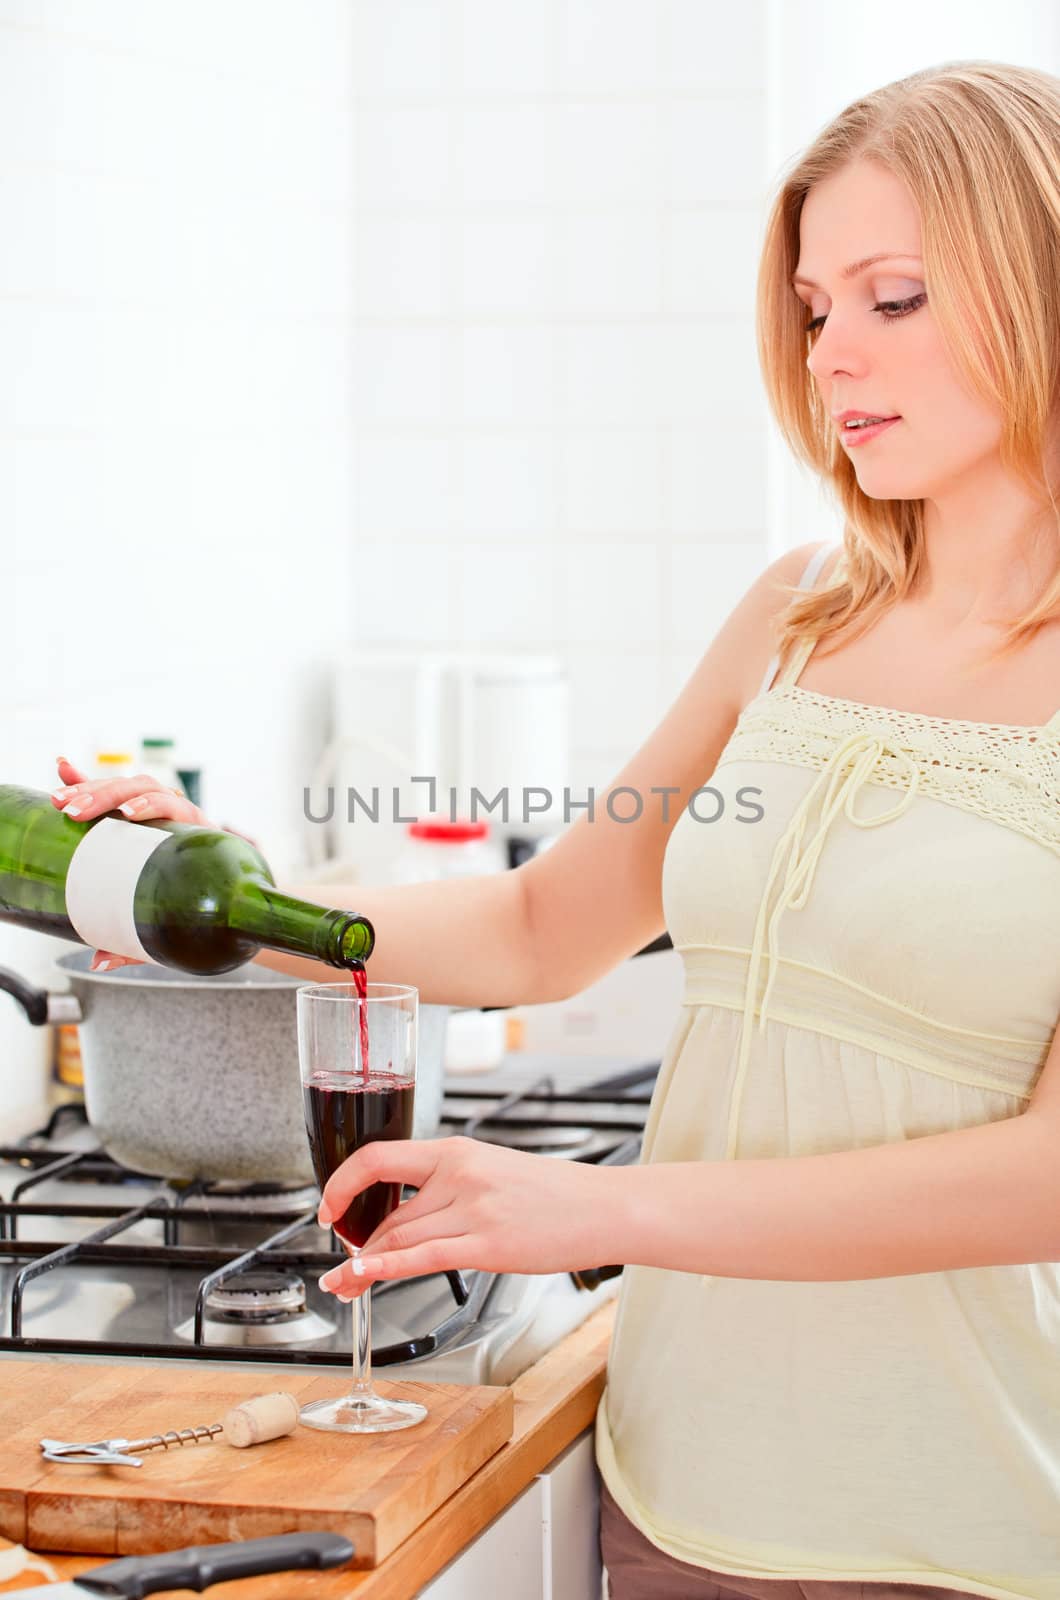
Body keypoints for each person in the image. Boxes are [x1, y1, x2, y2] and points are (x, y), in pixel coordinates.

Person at [49, 57, 1060, 1600]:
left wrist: (594, 1208)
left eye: (894, 297)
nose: (834, 353)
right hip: (677, 1491)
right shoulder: (796, 615)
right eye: (812, 308)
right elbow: (540, 927)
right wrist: (226, 888)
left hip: (967, 1525)